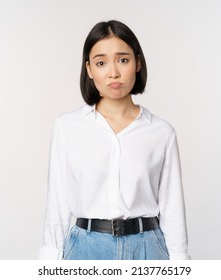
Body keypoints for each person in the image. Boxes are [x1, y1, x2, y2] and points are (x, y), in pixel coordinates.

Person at [38, 20, 190, 260]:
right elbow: (56, 205)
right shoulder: (67, 127)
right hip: (85, 249)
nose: (113, 72)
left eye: (123, 60)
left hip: (148, 249)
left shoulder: (162, 132)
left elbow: (173, 209)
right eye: (101, 63)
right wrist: (47, 262)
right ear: (89, 69)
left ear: (137, 63)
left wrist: (181, 263)